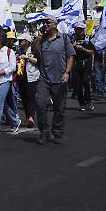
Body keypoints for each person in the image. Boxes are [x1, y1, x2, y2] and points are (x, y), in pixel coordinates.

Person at [34, 16, 75, 145]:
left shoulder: (63, 39)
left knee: (59, 107)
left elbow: (70, 56)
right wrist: (39, 37)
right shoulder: (43, 40)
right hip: (44, 78)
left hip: (59, 78)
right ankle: (44, 131)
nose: (45, 24)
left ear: (55, 25)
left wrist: (67, 72)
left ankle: (57, 131)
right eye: (43, 23)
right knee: (40, 104)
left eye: (47, 22)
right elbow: (35, 52)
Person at [15, 33, 39, 128]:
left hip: (32, 76)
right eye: (19, 41)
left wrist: (27, 58)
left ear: (27, 41)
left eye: (22, 40)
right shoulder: (19, 50)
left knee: (31, 96)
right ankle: (27, 116)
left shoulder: (33, 50)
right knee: (24, 97)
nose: (20, 42)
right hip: (21, 77)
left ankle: (31, 117)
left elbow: (38, 61)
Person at [71, 24, 95, 111]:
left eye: (81, 30)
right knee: (77, 85)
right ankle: (82, 103)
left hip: (86, 64)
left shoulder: (88, 40)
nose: (79, 32)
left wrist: (82, 49)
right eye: (78, 30)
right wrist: (72, 47)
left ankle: (88, 101)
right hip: (76, 65)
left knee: (86, 82)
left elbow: (92, 52)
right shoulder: (72, 40)